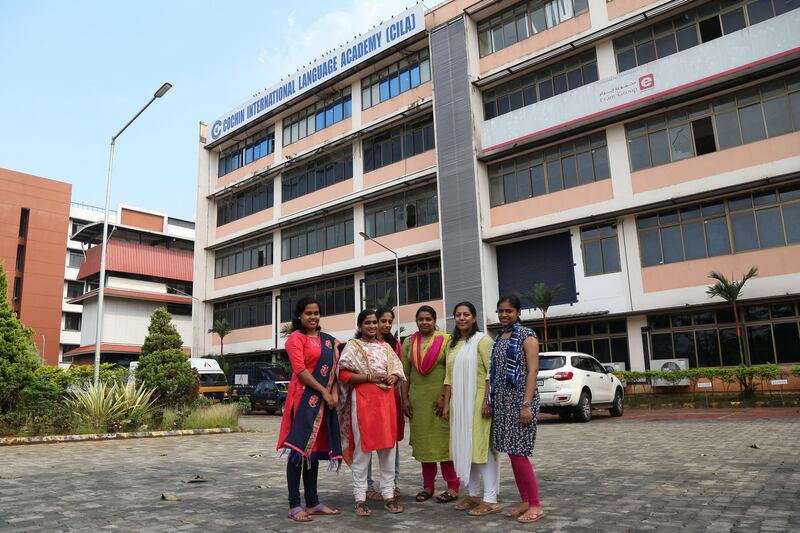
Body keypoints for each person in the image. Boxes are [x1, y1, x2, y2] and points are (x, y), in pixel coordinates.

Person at [277, 297, 343, 523]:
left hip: (324, 402)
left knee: (312, 452)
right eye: (308, 313)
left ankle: (313, 502)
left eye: (316, 313)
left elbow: (334, 370)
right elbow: (300, 370)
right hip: (303, 400)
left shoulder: (329, 342)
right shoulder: (296, 338)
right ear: (299, 317)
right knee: (299, 450)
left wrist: (333, 392)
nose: (313, 317)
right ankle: (294, 505)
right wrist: (323, 392)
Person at [338, 309, 407, 517]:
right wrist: (368, 377)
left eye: (374, 322)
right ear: (360, 326)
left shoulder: (386, 347)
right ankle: (360, 498)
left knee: (388, 448)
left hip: (385, 403)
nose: (372, 326)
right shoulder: (353, 346)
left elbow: (397, 369)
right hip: (364, 401)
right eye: (367, 323)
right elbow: (343, 374)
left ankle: (388, 495)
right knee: (362, 449)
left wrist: (394, 378)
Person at [489, 295, 545, 524]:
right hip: (503, 401)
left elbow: (533, 371)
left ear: (518, 312)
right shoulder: (500, 337)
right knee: (512, 453)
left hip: (521, 400)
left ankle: (535, 504)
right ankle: (524, 501)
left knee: (519, 453)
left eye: (509, 311)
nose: (504, 315)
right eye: (501, 311)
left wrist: (526, 404)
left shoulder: (527, 336)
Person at [441, 301, 500, 516]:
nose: (462, 318)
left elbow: (490, 373)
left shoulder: (483, 340)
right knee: (466, 448)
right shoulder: (452, 344)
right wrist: (446, 403)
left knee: (482, 448)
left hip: (478, 402)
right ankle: (473, 495)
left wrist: (487, 400)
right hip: (459, 403)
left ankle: (491, 498)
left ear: (474, 318)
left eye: (466, 314)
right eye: (458, 315)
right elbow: (448, 377)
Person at [401, 305, 460, 503]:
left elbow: (451, 371)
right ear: (416, 321)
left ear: (435, 321)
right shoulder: (409, 342)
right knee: (424, 444)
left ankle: (453, 486)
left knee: (444, 444)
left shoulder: (446, 340)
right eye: (421, 319)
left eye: (428, 319)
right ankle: (428, 487)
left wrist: (444, 397)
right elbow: (405, 374)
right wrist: (405, 398)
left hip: (441, 400)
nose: (424, 322)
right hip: (418, 401)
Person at [366, 307, 403, 501]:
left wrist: (395, 377)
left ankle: (392, 483)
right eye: (383, 321)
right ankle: (367, 485)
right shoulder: (361, 345)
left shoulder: (394, 344)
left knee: (391, 441)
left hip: (390, 400)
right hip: (368, 401)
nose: (387, 325)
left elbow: (399, 370)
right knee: (368, 442)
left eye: (390, 321)